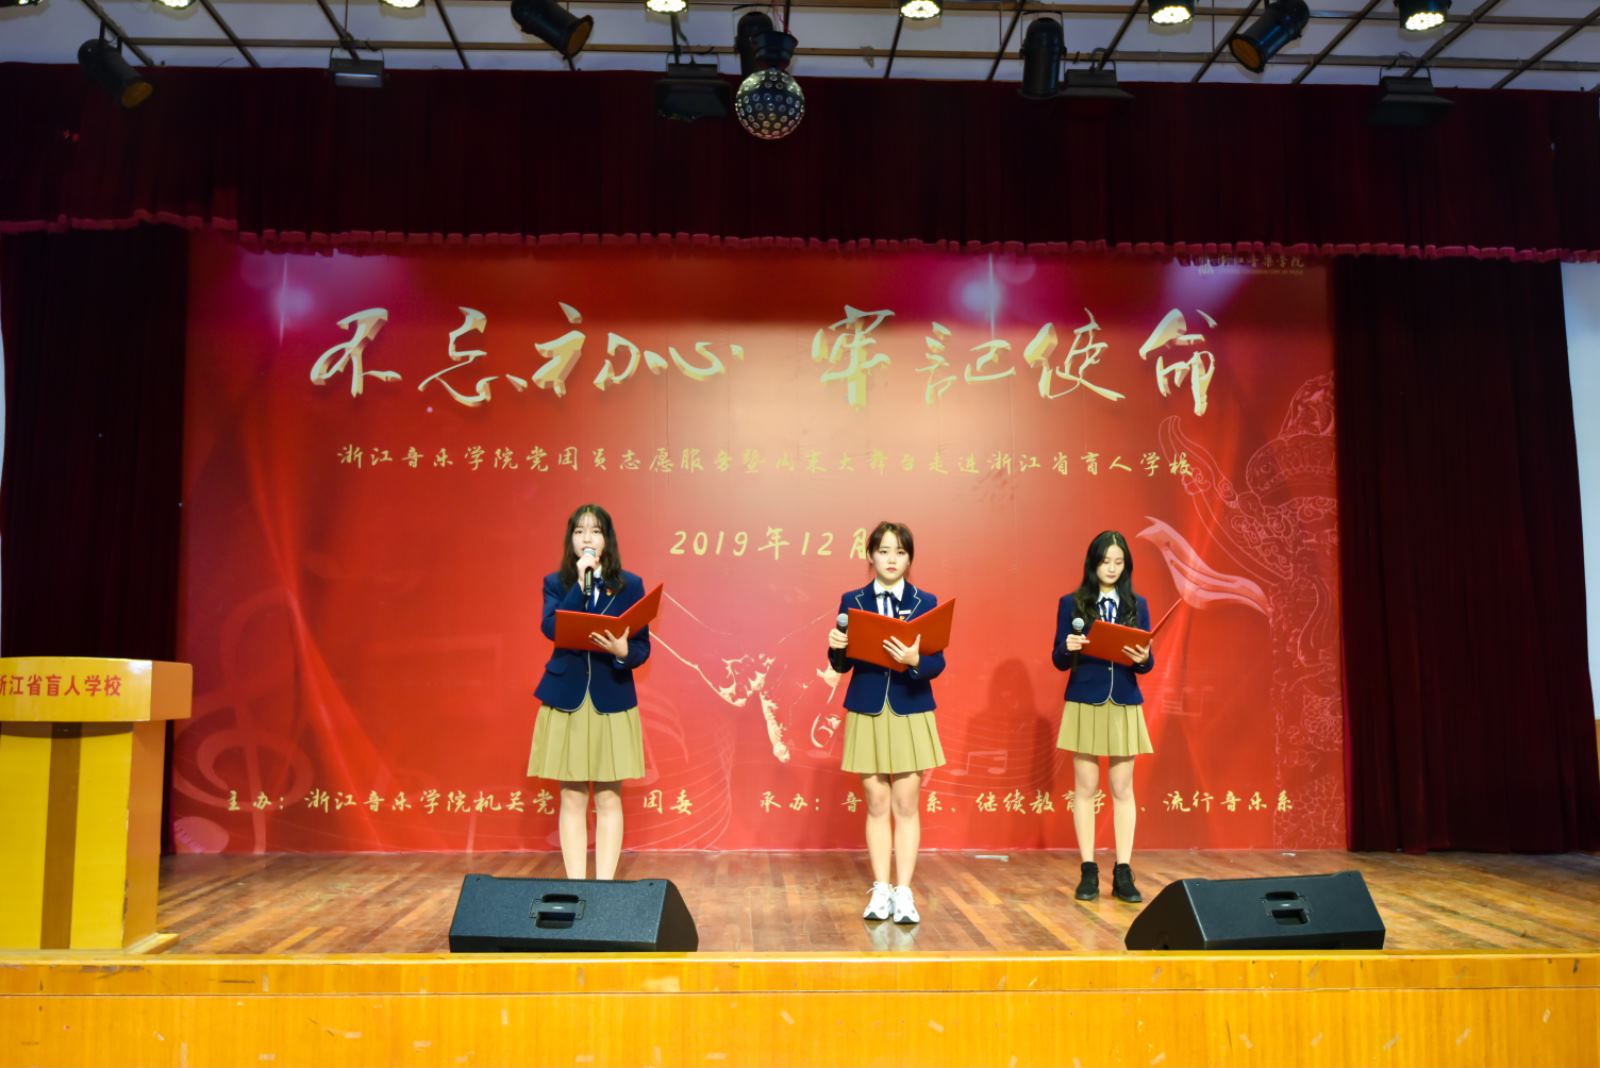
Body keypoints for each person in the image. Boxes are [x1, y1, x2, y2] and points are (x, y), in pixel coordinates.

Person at [825, 521, 947, 925]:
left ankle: (904, 892)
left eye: (900, 552)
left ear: (909, 558)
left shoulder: (925, 601)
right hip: (868, 708)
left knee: (906, 804)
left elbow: (937, 662)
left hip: (911, 708)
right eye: (884, 551)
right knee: (877, 803)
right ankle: (881, 889)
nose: (892, 559)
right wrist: (836, 648)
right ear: (870, 556)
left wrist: (915, 661)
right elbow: (842, 664)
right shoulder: (853, 600)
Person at [529, 504, 651, 880]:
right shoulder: (556, 582)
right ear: (571, 540)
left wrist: (623, 651)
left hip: (611, 698)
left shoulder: (630, 585)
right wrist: (581, 584)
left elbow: (642, 647)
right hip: (567, 699)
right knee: (571, 794)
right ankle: (578, 887)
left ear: (607, 540)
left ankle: (605, 888)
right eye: (579, 531)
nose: (587, 538)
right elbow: (552, 628)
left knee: (609, 795)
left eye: (595, 531)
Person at [1051, 530, 1155, 903]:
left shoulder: (1137, 604)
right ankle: (1088, 869)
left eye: (1118, 562)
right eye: (1105, 561)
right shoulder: (1072, 603)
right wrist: (1068, 647)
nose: (1111, 568)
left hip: (1124, 700)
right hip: (1085, 699)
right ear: (1093, 563)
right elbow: (1058, 658)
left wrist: (1144, 658)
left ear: (1126, 566)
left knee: (1123, 789)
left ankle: (1123, 871)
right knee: (1085, 788)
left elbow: (1147, 663)